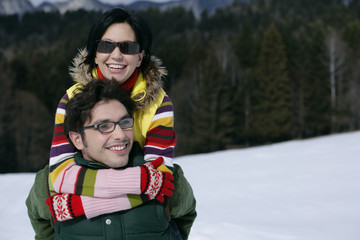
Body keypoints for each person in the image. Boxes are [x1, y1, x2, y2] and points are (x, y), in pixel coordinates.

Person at [26, 7, 196, 240]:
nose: (116, 56)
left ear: (140, 57)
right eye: (106, 46)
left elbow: (160, 181)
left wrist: (76, 205)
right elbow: (61, 176)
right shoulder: (73, 99)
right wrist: (139, 182)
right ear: (95, 53)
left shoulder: (157, 101)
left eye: (127, 48)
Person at [26, 79, 197, 240]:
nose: (120, 135)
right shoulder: (48, 184)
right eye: (104, 126)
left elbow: (185, 214)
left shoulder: (161, 177)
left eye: (124, 123)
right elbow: (40, 221)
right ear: (77, 139)